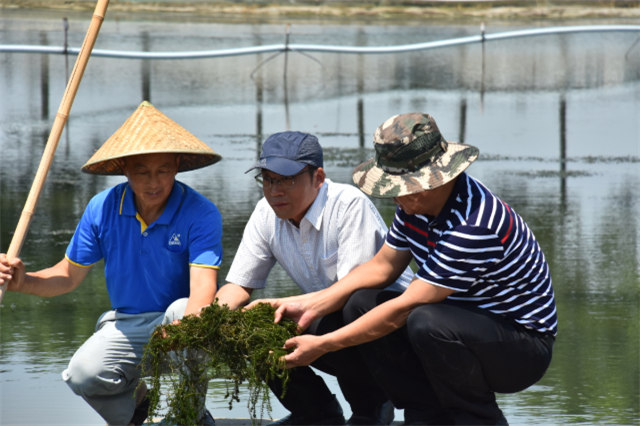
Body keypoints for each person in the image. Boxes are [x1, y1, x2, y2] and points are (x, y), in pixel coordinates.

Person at [249, 113, 558, 425]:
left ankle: (477, 418)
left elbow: (409, 305)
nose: (397, 196)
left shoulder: (474, 224)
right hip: (460, 324)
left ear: (439, 178)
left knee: (426, 321)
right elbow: (382, 267)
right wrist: (299, 304)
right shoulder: (416, 205)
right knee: (361, 301)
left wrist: (322, 345)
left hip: (522, 344)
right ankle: (424, 412)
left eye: (406, 187)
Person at [0, 101, 223, 426]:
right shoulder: (102, 208)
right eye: (142, 172)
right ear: (123, 168)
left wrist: (180, 331)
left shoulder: (201, 212)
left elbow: (203, 291)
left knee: (183, 310)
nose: (154, 182)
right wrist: (24, 281)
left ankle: (190, 414)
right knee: (83, 374)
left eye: (163, 170)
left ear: (177, 165)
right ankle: (139, 408)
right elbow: (66, 276)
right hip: (127, 322)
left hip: (180, 320)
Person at [216, 130, 413, 425]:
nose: (275, 191)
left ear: (318, 177)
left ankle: (371, 408)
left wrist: (280, 303)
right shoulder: (265, 213)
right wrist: (207, 318)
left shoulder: (348, 204)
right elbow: (239, 285)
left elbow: (349, 291)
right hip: (326, 316)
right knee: (249, 324)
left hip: (391, 330)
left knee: (350, 306)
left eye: (287, 180)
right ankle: (316, 413)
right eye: (268, 180)